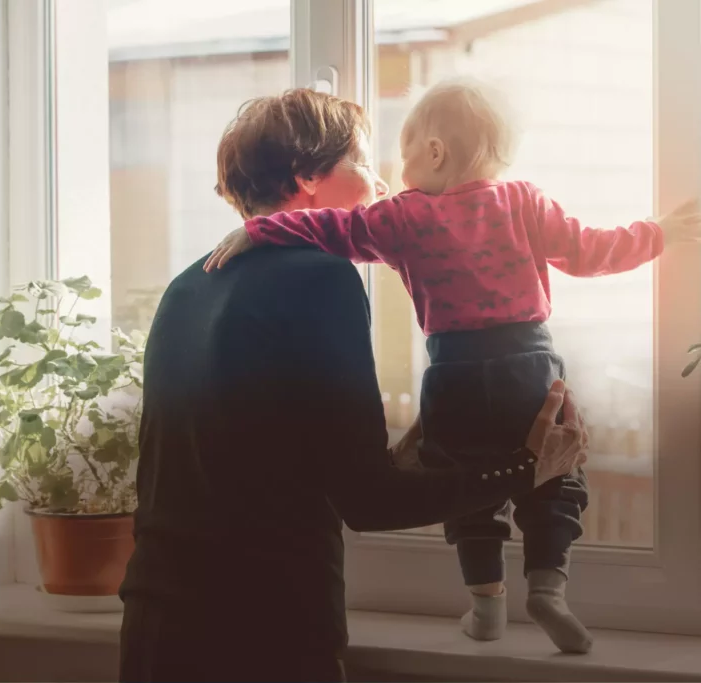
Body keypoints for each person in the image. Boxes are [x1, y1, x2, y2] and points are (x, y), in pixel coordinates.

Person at [204, 78, 701, 654]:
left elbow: (333, 229)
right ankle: (549, 586)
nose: (386, 175)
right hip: (530, 363)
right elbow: (590, 249)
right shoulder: (522, 201)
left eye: (399, 152)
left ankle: (487, 604)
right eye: (370, 161)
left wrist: (256, 229)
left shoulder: (399, 218)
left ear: (436, 153)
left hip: (454, 373)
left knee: (460, 481)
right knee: (559, 475)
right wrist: (659, 234)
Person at [117, 88, 588, 683]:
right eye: (363, 163)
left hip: (156, 623)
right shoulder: (321, 276)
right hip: (262, 634)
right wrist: (528, 468)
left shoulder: (186, 286)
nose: (381, 184)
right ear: (308, 178)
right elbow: (367, 502)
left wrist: (418, 442)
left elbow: (253, 467)